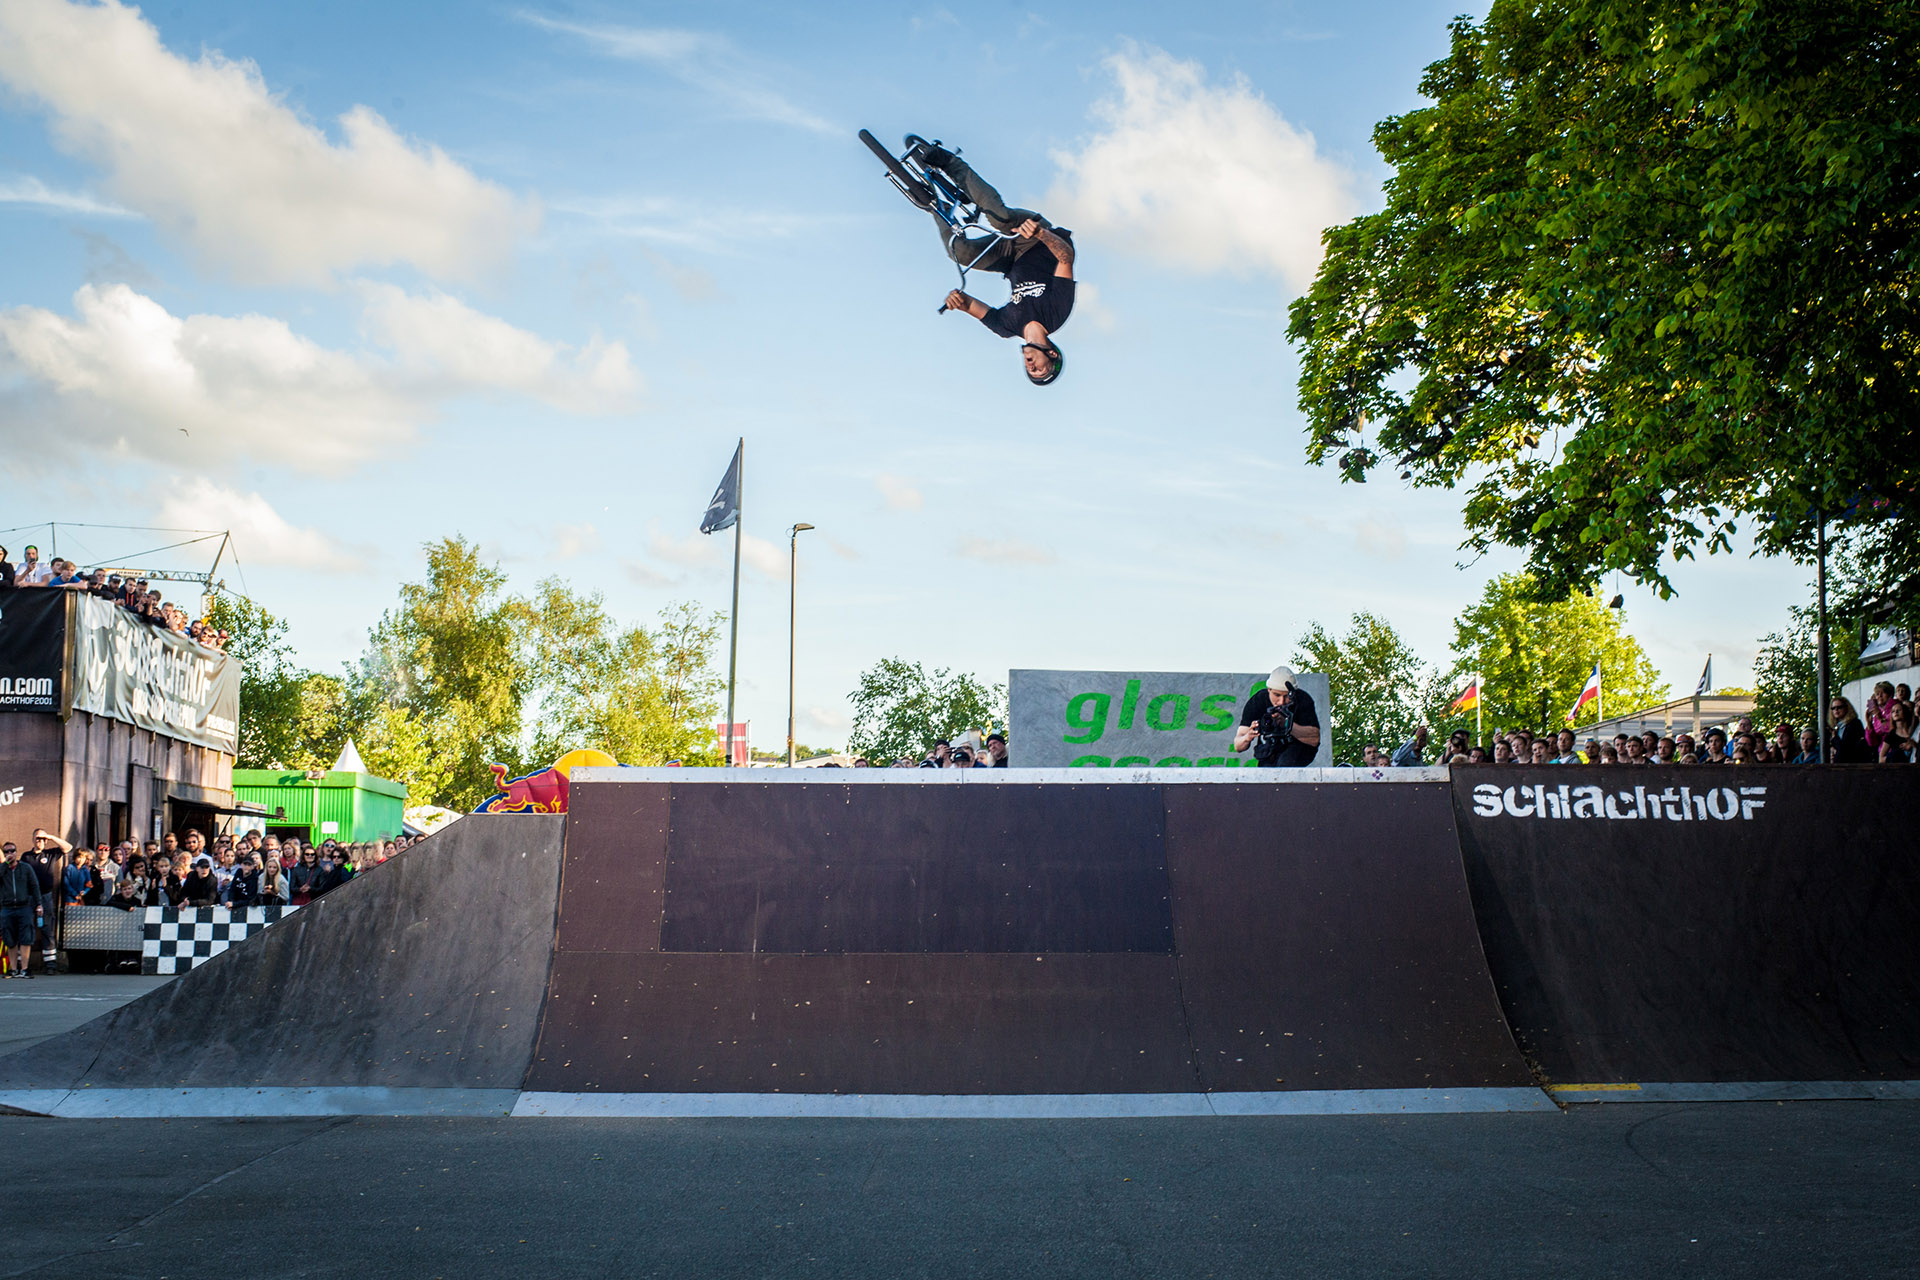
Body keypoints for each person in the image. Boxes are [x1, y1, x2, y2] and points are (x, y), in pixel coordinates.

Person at [904, 140, 1075, 387]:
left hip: (1008, 257)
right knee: (1001, 218)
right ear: (1052, 355)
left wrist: (957, 302)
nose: (1032, 368)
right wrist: (1040, 234)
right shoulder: (1057, 313)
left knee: (961, 253)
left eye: (1031, 373)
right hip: (1036, 239)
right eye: (1040, 369)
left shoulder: (1007, 326)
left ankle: (932, 204)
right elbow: (1065, 258)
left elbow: (970, 305)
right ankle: (951, 163)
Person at [1231, 666, 1322, 768]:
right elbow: (1238, 746)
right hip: (1270, 750)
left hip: (1297, 750)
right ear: (1269, 690)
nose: (1281, 702)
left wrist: (1286, 724)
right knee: (1266, 768)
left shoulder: (1302, 700)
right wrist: (1248, 736)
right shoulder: (1258, 702)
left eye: (1287, 696)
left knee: (1286, 762)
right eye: (1277, 695)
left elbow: (1314, 739)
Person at [0, 841, 46, 978]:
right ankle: (13, 969)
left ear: (16, 852)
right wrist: (5, 865)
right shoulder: (2, 869)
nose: (10, 854)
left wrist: (39, 904)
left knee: (26, 938)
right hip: (7, 908)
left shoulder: (25, 868)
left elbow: (34, 886)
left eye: (12, 851)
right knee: (10, 939)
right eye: (6, 851)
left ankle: (24, 969)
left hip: (24, 907)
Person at [1830, 697, 1874, 763]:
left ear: (1846, 708)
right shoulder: (1836, 727)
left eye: (1839, 707)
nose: (1836, 710)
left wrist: (1834, 738)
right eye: (1833, 708)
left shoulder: (1854, 724)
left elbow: (1846, 749)